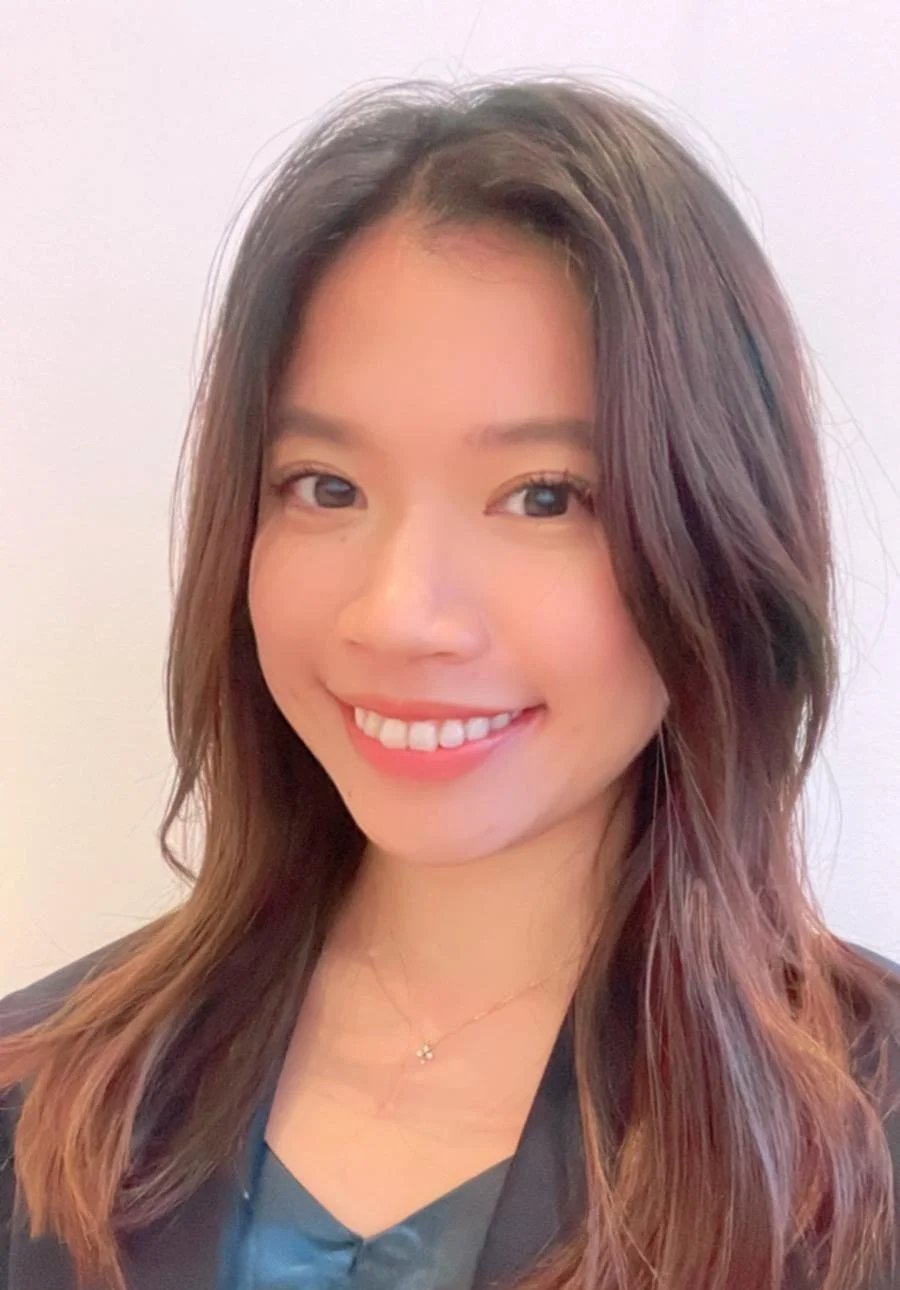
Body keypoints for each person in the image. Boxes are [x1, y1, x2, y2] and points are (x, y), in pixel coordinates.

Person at [1, 73, 899, 1290]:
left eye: (544, 497)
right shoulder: (42, 1087)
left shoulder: (865, 1140)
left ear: (721, 541)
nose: (400, 615)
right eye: (325, 486)